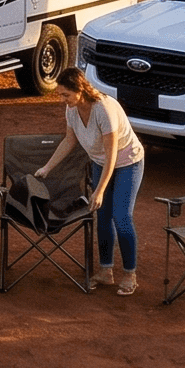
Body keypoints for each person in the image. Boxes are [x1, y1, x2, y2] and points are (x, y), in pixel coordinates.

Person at [42, 65, 146, 294]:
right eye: (60, 94)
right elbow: (69, 141)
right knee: (102, 216)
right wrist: (47, 167)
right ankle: (106, 271)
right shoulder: (71, 109)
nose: (62, 99)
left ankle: (130, 274)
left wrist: (99, 190)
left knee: (122, 217)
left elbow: (112, 156)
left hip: (128, 161)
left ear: (79, 90)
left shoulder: (103, 109)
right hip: (101, 161)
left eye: (65, 94)